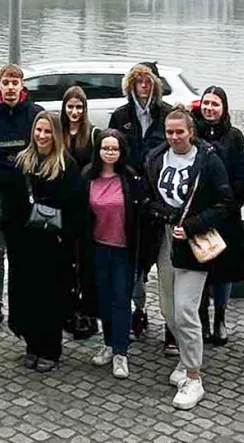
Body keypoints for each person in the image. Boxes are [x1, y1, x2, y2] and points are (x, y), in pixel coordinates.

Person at [143, 108, 232, 410]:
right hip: (165, 240)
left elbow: (225, 203)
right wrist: (160, 212)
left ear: (191, 132)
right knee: (168, 308)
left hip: (193, 243)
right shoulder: (156, 157)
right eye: (169, 132)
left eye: (179, 131)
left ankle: (194, 376)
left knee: (185, 310)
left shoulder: (209, 160)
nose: (174, 137)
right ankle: (184, 357)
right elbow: (148, 194)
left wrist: (193, 224)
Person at [4, 111, 82, 373]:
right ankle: (31, 344)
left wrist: (65, 238)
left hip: (53, 245)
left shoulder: (66, 166)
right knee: (27, 295)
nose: (42, 135)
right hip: (25, 242)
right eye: (38, 130)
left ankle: (50, 348)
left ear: (56, 135)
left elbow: (75, 208)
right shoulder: (22, 162)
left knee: (51, 297)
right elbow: (11, 204)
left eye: (48, 131)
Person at [0, 64, 44, 333]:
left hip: (26, 193)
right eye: (6, 82)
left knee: (22, 253)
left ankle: (20, 304)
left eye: (16, 82)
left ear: (22, 85)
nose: (11, 87)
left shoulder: (35, 113)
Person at [108, 62, 174, 345]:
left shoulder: (168, 114)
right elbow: (112, 154)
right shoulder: (121, 115)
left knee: (168, 265)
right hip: (132, 200)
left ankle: (173, 325)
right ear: (131, 84)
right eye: (138, 80)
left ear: (156, 84)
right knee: (135, 264)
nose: (144, 85)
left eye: (148, 80)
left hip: (162, 199)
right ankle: (139, 310)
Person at [192, 86, 244, 346]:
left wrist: (229, 205)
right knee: (200, 267)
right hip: (199, 214)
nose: (210, 108)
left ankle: (220, 319)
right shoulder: (193, 132)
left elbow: (242, 175)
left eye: (215, 104)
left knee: (223, 272)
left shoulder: (235, 137)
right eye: (206, 103)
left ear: (224, 107)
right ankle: (202, 318)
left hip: (226, 214)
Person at [84, 129, 146, 380]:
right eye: (105, 148)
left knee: (121, 300)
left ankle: (121, 351)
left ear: (121, 152)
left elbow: (139, 216)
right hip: (97, 247)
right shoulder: (88, 176)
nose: (110, 152)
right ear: (98, 151)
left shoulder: (130, 179)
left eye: (115, 149)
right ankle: (109, 343)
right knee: (103, 299)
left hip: (123, 249)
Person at [62, 86, 103, 340]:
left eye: (79, 107)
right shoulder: (58, 133)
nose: (74, 112)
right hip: (65, 207)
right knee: (67, 262)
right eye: (70, 107)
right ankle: (70, 311)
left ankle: (88, 314)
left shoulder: (94, 135)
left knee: (87, 263)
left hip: (87, 208)